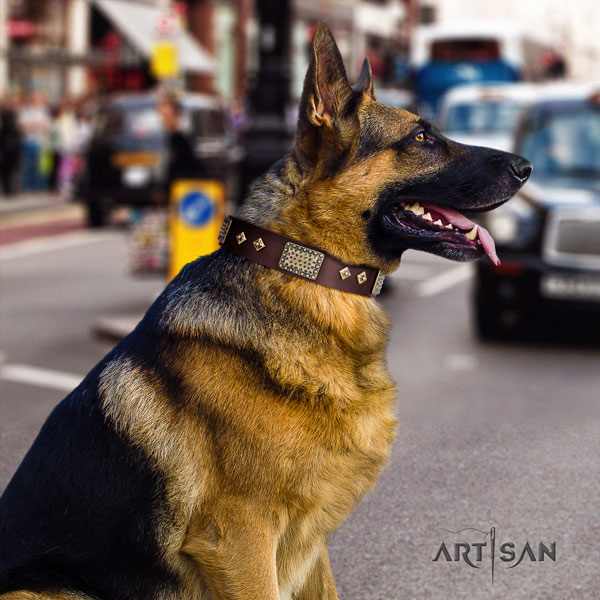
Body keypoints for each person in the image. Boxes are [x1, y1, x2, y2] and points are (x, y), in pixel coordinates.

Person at [157, 94, 206, 193]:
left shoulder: (182, 138)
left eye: (167, 116)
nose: (164, 119)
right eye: (162, 115)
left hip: (181, 188)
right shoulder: (166, 137)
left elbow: (184, 166)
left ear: (176, 115)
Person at [0, 99, 23, 196]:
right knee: (9, 168)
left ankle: (9, 188)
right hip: (9, 146)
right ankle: (9, 188)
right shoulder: (11, 125)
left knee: (9, 168)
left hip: (9, 146)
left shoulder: (8, 125)